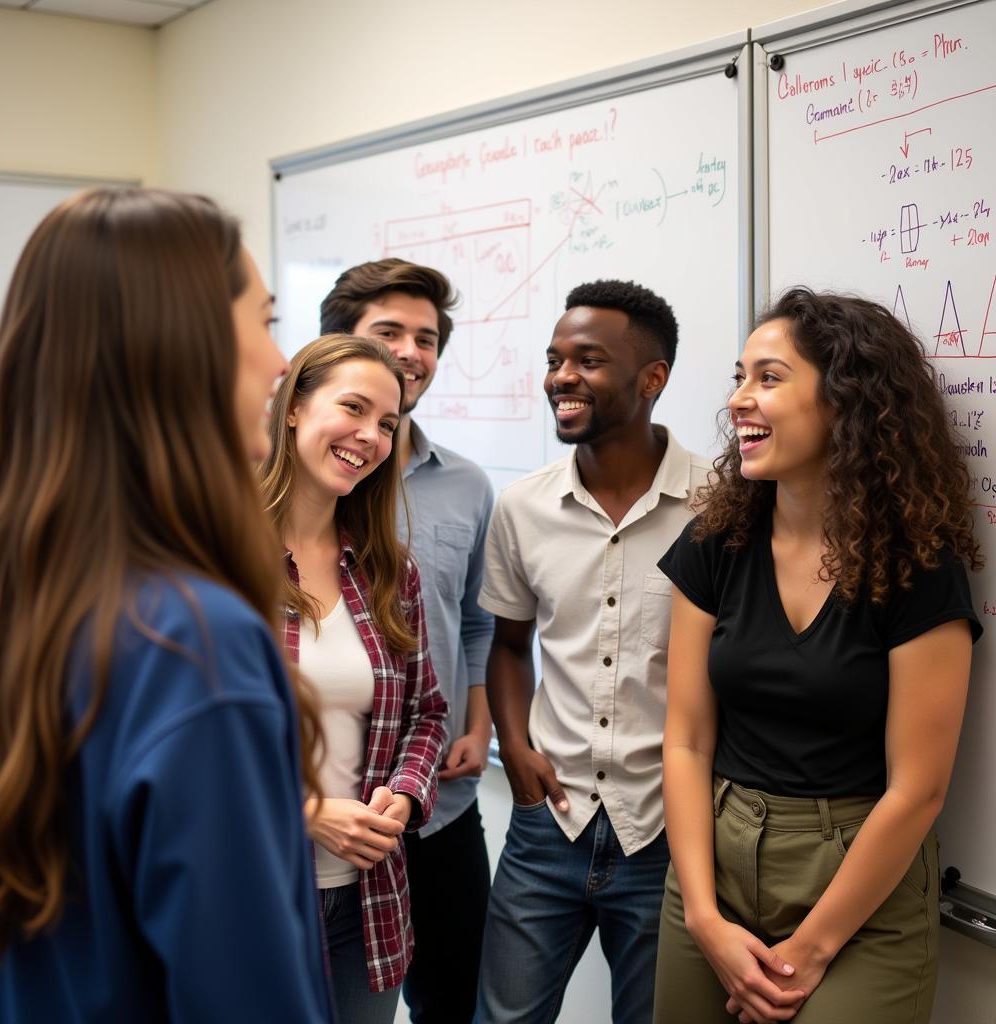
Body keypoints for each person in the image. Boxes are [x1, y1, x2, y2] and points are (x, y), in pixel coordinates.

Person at [0, 188, 333, 1022]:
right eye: (266, 322)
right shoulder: (194, 646)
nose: (282, 363)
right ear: (188, 347)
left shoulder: (6, 596)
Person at [653, 287, 982, 1024]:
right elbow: (685, 739)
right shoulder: (716, 542)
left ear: (846, 402)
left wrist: (808, 951)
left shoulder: (917, 567)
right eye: (740, 377)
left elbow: (918, 791)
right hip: (715, 856)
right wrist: (704, 919)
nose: (739, 399)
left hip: (860, 878)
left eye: (768, 378)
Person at [476, 280, 711, 1023]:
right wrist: (511, 743)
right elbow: (509, 644)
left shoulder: (722, 506)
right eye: (554, 359)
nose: (561, 378)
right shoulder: (522, 507)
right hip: (550, 818)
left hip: (670, 828)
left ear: (653, 379)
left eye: (588, 360)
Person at [320, 258, 495, 1023]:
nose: (411, 351)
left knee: (452, 1000)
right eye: (388, 331)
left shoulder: (463, 486)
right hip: (307, 821)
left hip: (432, 805)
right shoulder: (246, 508)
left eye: (427, 338)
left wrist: (477, 718)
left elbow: (475, 621)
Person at [260, 332, 448, 1023]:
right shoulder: (215, 554)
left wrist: (405, 793)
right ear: (293, 408)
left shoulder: (387, 569)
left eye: (388, 424)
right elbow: (180, 743)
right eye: (353, 408)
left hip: (368, 905)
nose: (370, 435)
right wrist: (307, 812)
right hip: (254, 893)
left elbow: (428, 714)